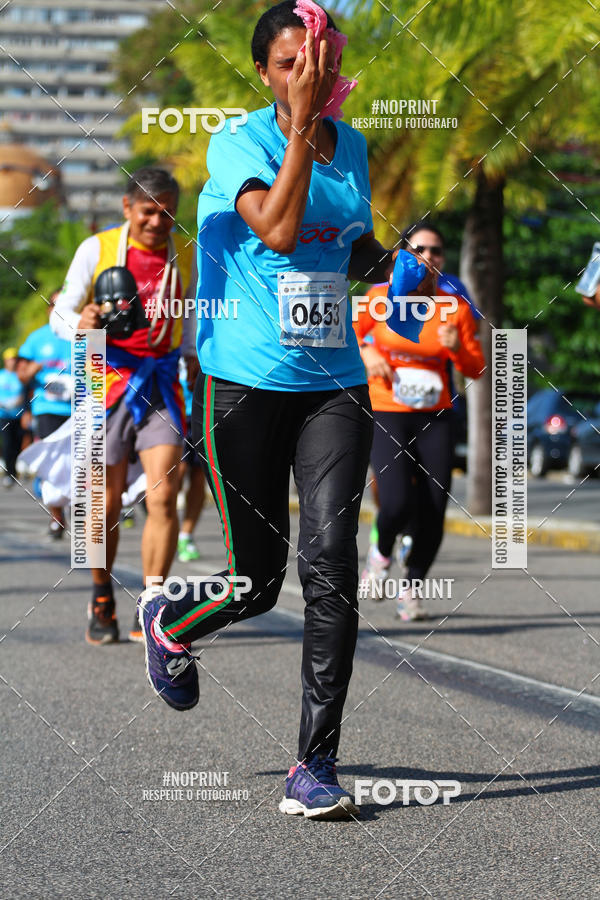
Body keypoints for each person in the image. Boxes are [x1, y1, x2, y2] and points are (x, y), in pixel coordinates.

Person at [137, 0, 397, 820]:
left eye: (316, 61)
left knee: (330, 567)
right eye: (289, 64)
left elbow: (342, 232)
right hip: (242, 382)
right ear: (265, 72)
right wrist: (297, 128)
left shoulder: (351, 145)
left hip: (334, 383)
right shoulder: (238, 141)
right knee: (257, 581)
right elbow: (280, 230)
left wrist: (391, 262)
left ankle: (313, 766)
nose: (305, 76)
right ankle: (174, 617)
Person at [50, 167, 195, 645]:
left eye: (167, 212)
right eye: (149, 211)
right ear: (128, 208)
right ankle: (101, 595)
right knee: (103, 501)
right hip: (103, 378)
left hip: (160, 381)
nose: (158, 221)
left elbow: (188, 311)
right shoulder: (97, 249)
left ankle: (152, 605)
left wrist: (192, 358)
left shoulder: (184, 254)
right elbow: (61, 311)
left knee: (163, 495)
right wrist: (83, 318)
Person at [356, 242, 485, 620]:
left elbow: (476, 368)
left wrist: (458, 348)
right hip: (387, 410)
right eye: (418, 248)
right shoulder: (376, 298)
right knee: (395, 502)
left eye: (436, 250)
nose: (427, 255)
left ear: (442, 261)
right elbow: (347, 340)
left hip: (435, 415)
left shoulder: (455, 307)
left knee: (433, 508)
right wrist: (367, 351)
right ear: (398, 257)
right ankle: (379, 557)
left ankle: (410, 589)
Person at [17, 291, 72, 537]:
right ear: (49, 309)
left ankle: (80, 515)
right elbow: (22, 375)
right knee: (53, 463)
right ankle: (57, 516)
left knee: (78, 463)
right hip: (47, 408)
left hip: (79, 407)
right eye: (55, 304)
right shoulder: (37, 338)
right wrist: (34, 368)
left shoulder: (83, 335)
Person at [176, 358, 206, 562]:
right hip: (172, 411)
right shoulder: (171, 327)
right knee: (174, 477)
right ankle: (165, 526)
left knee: (199, 477)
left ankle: (185, 535)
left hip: (201, 409)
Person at [0, 348, 25, 488]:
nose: (13, 362)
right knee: (7, 444)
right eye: (10, 359)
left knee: (18, 444)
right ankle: (9, 473)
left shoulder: (20, 376)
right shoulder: (1, 375)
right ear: (6, 361)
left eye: (15, 359)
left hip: (19, 416)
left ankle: (14, 471)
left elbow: (26, 393)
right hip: (3, 416)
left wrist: (18, 401)